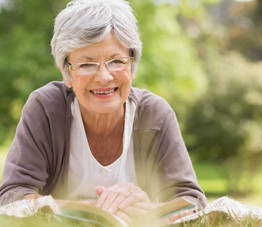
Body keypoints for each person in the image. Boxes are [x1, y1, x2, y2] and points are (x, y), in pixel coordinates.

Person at [0, 0, 206, 223]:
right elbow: (13, 197)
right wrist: (85, 209)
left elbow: (192, 202)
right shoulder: (45, 108)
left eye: (117, 61)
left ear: (132, 66)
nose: (104, 77)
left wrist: (149, 208)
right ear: (66, 73)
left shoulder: (155, 114)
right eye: (87, 64)